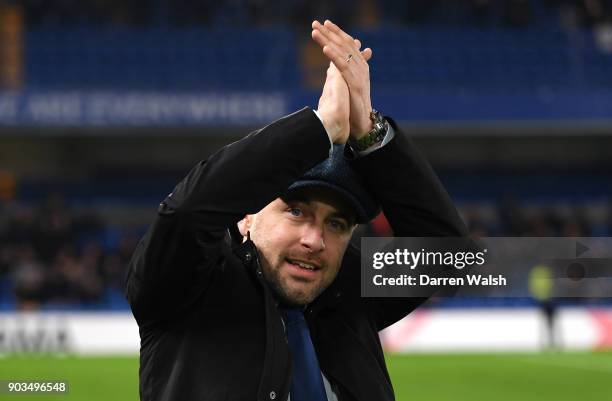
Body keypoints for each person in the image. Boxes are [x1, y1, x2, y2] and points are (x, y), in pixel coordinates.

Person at [125, 20, 467, 401]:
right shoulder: (189, 287)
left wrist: (368, 132)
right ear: (246, 216)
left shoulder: (348, 293)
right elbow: (186, 214)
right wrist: (322, 129)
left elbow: (449, 258)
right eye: (296, 212)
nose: (314, 240)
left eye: (336, 223)